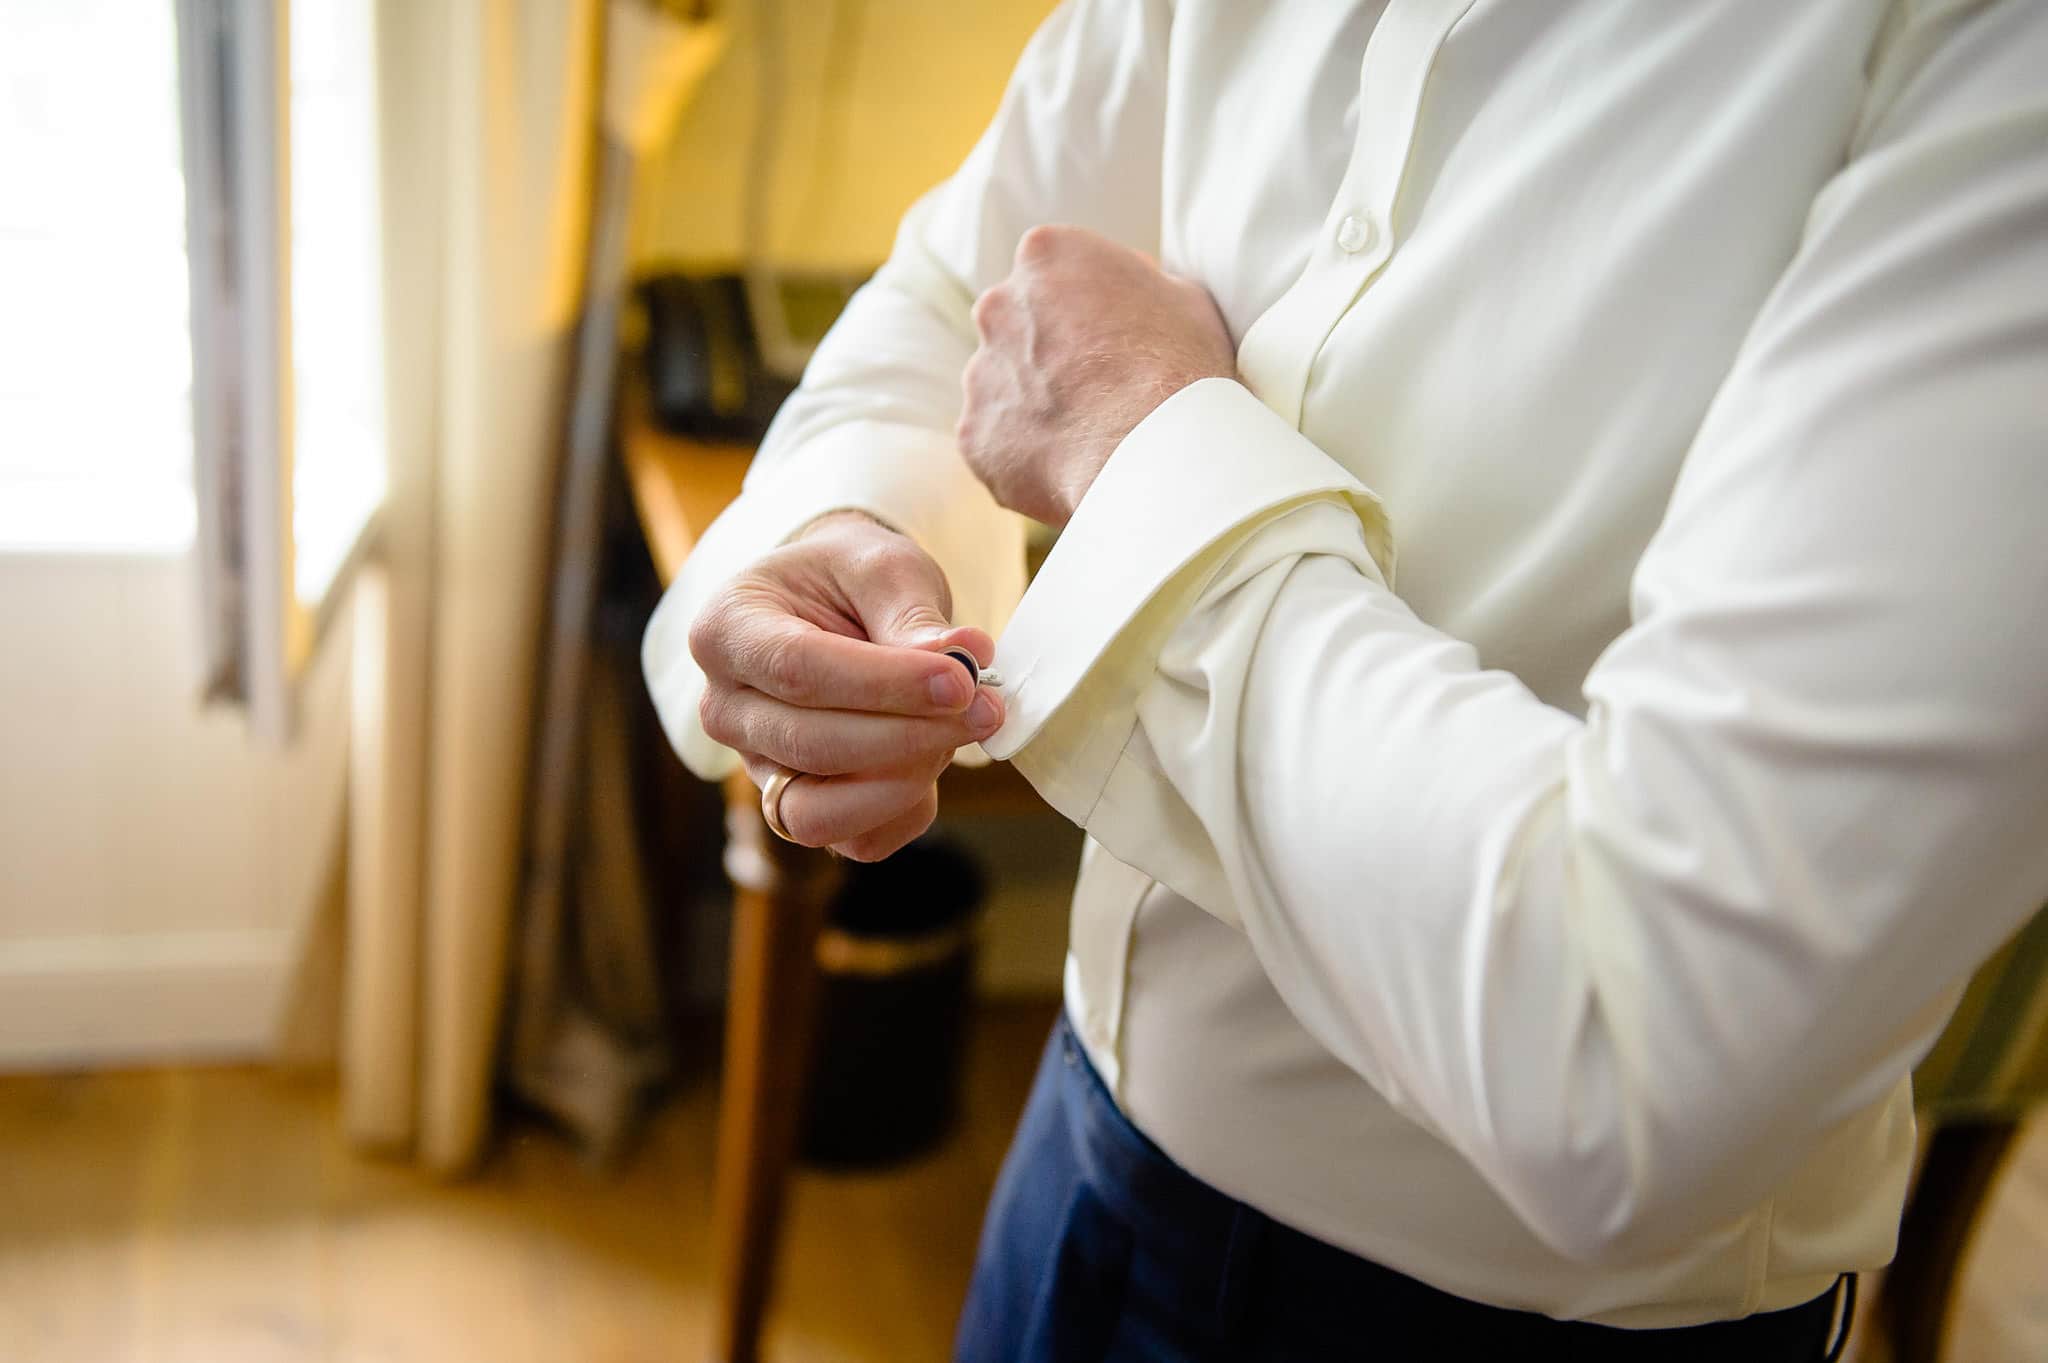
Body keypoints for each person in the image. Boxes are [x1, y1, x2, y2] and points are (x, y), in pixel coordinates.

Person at [642, 2, 2048, 1358]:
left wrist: (1146, 455)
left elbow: (1642, 1054)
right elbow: (969, 293)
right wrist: (855, 526)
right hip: (1077, 1168)